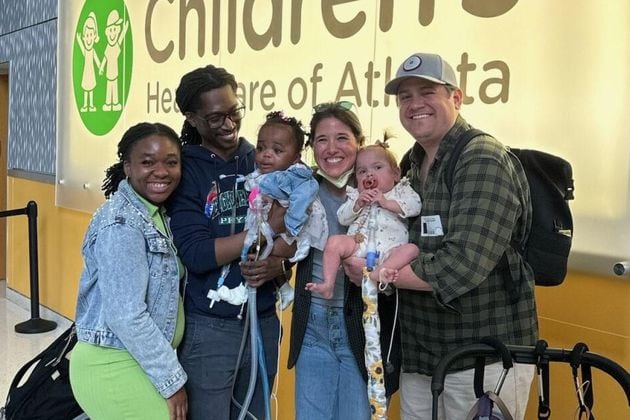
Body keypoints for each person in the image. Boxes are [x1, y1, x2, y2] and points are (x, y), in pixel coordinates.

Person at [382, 52, 538, 419]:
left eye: (427, 92)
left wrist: (379, 275)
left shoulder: (482, 158)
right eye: (405, 96)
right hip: (422, 357)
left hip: (483, 360)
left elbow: (461, 265)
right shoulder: (410, 162)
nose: (414, 104)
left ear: (456, 97)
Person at [167, 64, 288, 420]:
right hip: (210, 326)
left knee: (257, 412)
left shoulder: (261, 157)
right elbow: (198, 254)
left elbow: (295, 233)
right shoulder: (185, 169)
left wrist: (278, 263)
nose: (229, 124)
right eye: (216, 117)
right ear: (192, 118)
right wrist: (263, 231)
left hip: (263, 319)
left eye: (234, 112)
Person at [287, 102, 401, 420]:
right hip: (312, 328)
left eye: (342, 138)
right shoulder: (302, 190)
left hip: (361, 329)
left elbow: (401, 250)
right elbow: (284, 246)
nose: (332, 148)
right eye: (322, 139)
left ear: (358, 142)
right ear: (312, 147)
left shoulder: (382, 188)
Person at [70, 122, 187, 420]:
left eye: (171, 162)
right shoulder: (122, 224)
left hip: (137, 359)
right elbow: (126, 314)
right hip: (114, 363)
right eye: (147, 162)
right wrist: (172, 382)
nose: (161, 171)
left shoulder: (155, 214)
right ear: (128, 167)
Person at [306, 141, 422, 299]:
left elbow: (415, 206)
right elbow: (342, 218)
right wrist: (357, 204)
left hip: (390, 250)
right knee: (334, 242)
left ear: (395, 173)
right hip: (359, 244)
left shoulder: (401, 191)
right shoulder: (356, 196)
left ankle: (378, 274)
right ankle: (328, 284)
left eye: (378, 167)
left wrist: (387, 203)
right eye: (362, 171)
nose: (369, 174)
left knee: (412, 250)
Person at [242, 110, 326, 310]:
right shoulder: (258, 175)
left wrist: (289, 224)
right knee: (257, 253)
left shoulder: (296, 177)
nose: (266, 154)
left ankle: (282, 287)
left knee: (266, 252)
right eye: (261, 147)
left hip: (293, 226)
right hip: (267, 222)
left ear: (296, 158)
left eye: (277, 151)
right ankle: (281, 287)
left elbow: (301, 202)